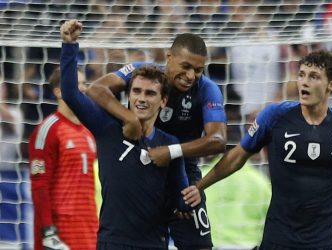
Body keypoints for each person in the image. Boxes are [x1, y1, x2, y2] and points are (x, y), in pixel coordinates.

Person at [184, 50, 332, 249]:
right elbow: (236, 157)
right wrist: (199, 186)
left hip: (328, 238)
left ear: (331, 85)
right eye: (301, 74)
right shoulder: (275, 115)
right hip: (281, 237)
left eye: (313, 77)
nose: (304, 82)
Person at [85, 20, 227, 250]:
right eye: (186, 66)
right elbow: (95, 89)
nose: (191, 76)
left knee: (199, 246)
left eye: (198, 70)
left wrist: (171, 151)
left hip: (183, 176)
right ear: (168, 56)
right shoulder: (145, 74)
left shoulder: (207, 89)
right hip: (138, 166)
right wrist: (128, 118)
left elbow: (218, 140)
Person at [59, 19, 200, 250]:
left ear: (163, 101)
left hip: (153, 244)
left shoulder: (169, 144)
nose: (142, 98)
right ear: (129, 95)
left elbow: (180, 197)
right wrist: (69, 45)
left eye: (150, 93)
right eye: (136, 91)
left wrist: (191, 198)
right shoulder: (106, 127)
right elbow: (71, 93)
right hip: (111, 242)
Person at [29, 67, 98, 250]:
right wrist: (47, 230)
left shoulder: (89, 131)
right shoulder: (48, 129)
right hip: (61, 230)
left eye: (84, 83)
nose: (83, 88)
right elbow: (39, 184)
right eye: (76, 84)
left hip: (88, 227)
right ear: (58, 91)